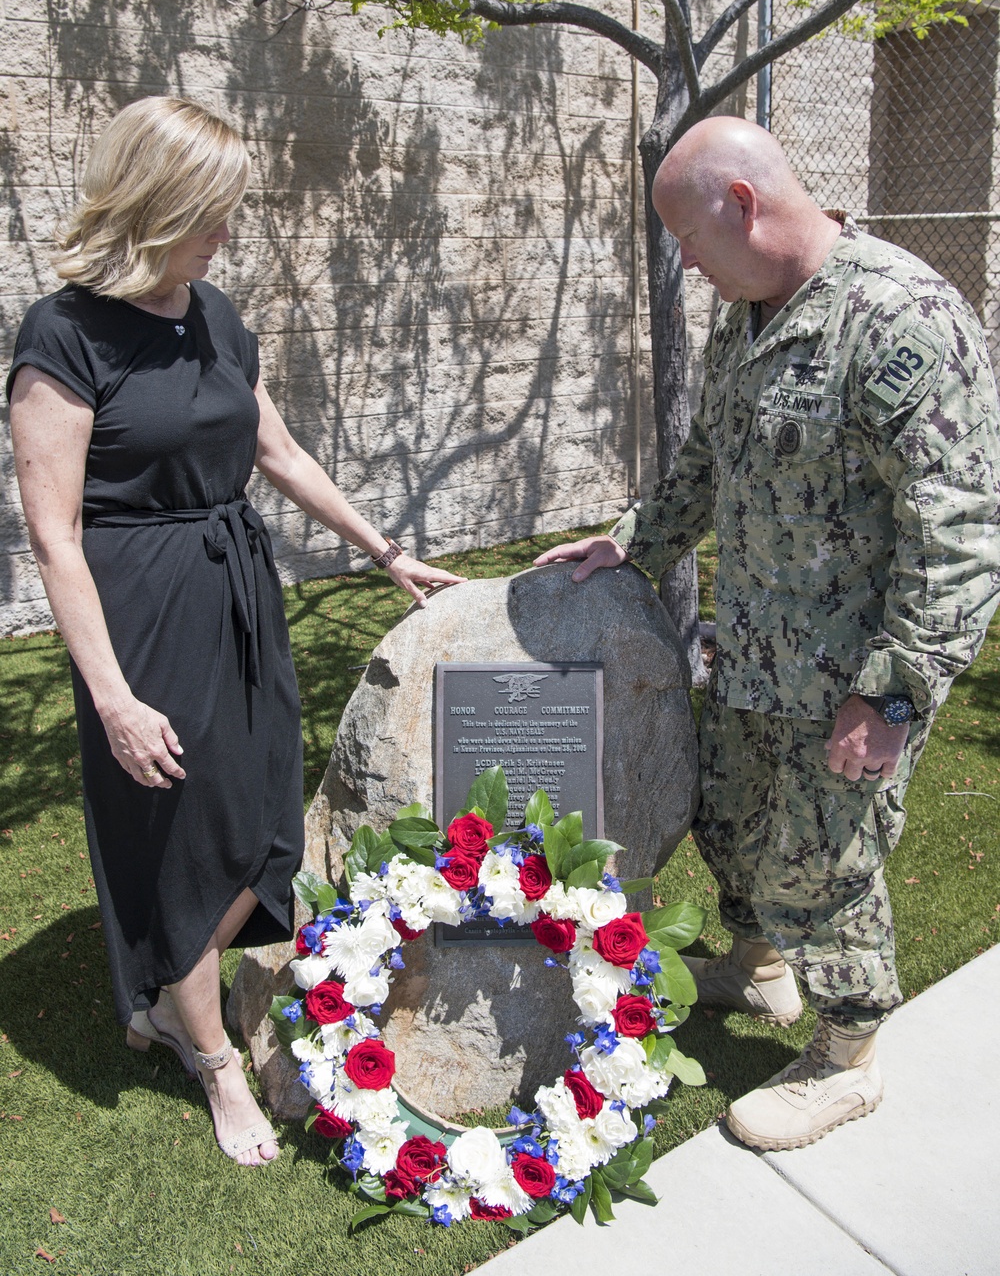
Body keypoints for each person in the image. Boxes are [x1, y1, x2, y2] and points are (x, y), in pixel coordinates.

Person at [7, 96, 465, 1167]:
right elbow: (55, 537)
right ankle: (212, 1055)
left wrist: (383, 549)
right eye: (214, 211)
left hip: (237, 589)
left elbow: (280, 451)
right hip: (142, 610)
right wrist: (115, 696)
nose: (229, 231)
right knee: (183, 834)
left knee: (260, 821)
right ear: (158, 204)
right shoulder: (63, 335)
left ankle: (172, 994)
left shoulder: (212, 311)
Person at [535, 116, 1000, 1150]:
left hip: (850, 677)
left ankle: (847, 1058)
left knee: (821, 862)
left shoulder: (901, 318)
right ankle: (758, 973)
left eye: (688, 240)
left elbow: (961, 536)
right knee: (732, 824)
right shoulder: (746, 314)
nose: (686, 265)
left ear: (742, 203)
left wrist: (890, 696)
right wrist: (632, 541)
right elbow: (710, 456)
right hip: (749, 654)